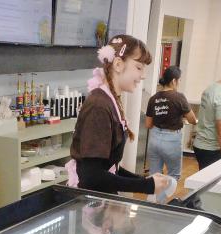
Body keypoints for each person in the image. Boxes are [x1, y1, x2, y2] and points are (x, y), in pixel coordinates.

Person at [67, 35, 171, 200]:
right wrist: (146, 186)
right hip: (90, 205)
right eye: (138, 67)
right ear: (118, 64)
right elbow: (92, 175)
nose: (143, 75)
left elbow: (109, 167)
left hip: (100, 200)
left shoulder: (110, 100)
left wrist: (144, 180)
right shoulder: (98, 106)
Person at [145, 66, 197, 182]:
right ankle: (161, 200)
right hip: (171, 140)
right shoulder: (179, 97)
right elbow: (193, 119)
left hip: (154, 139)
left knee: (154, 177)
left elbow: (148, 124)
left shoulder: (153, 98)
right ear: (174, 81)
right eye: (179, 81)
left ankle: (153, 200)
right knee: (173, 176)